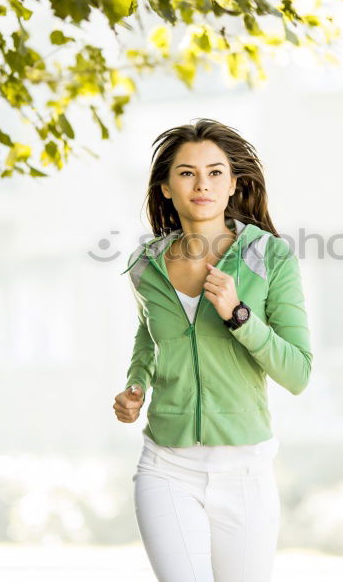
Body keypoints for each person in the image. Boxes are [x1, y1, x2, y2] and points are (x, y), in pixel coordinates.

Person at [112, 118, 313, 582]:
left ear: (233, 184)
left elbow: (298, 373)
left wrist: (239, 315)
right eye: (186, 173)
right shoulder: (145, 264)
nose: (201, 184)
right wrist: (134, 385)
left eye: (215, 172)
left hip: (245, 471)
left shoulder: (270, 256)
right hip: (166, 466)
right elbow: (148, 336)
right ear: (165, 187)